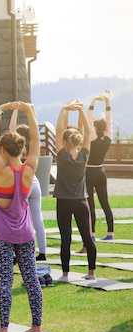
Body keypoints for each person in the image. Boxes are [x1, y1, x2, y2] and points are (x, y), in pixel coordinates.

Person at [0, 101, 43, 332]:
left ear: (3, 150)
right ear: (22, 149)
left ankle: (4, 328)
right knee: (31, 278)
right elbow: (37, 141)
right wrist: (30, 111)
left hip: (2, 235)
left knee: (5, 281)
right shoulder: (30, 168)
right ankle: (37, 326)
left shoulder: (1, 171)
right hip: (26, 234)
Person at [53, 100, 97, 281]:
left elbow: (58, 131)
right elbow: (88, 132)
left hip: (64, 201)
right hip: (81, 201)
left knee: (66, 238)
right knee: (87, 237)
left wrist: (64, 109)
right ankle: (91, 273)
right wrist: (81, 111)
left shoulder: (62, 155)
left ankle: (65, 274)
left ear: (64, 142)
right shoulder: (84, 155)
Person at [10, 108, 48, 261]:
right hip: (35, 182)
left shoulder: (16, 148)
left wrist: (14, 110)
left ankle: (17, 251)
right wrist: (31, 111)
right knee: (37, 218)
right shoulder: (33, 146)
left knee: (17, 219)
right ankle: (43, 252)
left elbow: (11, 130)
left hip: (22, 184)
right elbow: (36, 134)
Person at [84, 94, 114, 245]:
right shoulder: (108, 138)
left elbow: (88, 120)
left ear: (95, 128)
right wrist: (107, 103)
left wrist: (92, 102)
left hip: (89, 172)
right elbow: (110, 121)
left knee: (91, 204)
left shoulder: (93, 138)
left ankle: (92, 234)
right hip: (101, 172)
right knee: (105, 202)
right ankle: (110, 232)